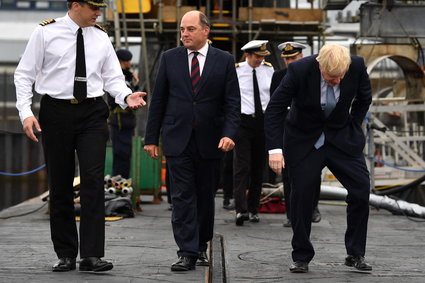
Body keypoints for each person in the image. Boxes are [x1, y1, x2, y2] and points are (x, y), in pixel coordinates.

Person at [14, 0, 146, 272]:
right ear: (76, 5)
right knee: (60, 184)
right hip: (56, 111)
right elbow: (24, 74)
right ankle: (65, 253)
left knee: (93, 181)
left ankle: (91, 255)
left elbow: (112, 77)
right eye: (94, 7)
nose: (99, 13)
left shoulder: (100, 36)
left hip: (92, 113)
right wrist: (26, 112)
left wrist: (124, 95)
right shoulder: (44, 33)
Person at [144, 10, 240, 271]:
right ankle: (186, 251)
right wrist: (150, 138)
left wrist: (230, 133)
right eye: (182, 30)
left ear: (205, 30)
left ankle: (200, 245)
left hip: (211, 141)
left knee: (205, 196)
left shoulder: (224, 60)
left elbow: (232, 103)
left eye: (190, 29)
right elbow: (159, 100)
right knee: (182, 196)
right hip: (178, 139)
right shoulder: (169, 59)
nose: (184, 34)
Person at [265, 44, 372, 273]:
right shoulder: (299, 70)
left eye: (340, 77)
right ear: (319, 65)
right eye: (330, 77)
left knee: (361, 190)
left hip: (341, 139)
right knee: (302, 195)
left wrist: (353, 124)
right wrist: (275, 149)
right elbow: (274, 108)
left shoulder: (357, 66)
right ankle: (301, 255)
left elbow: (364, 99)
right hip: (304, 139)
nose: (336, 81)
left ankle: (355, 253)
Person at [269, 41, 321, 227]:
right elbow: (275, 106)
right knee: (288, 174)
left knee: (314, 171)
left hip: (309, 130)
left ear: (301, 57)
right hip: (287, 129)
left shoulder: (312, 75)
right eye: (287, 59)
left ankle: (313, 208)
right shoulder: (279, 76)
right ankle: (291, 214)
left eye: (293, 58)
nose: (290, 62)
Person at [233, 40, 274, 226]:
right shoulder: (236, 70)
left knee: (259, 168)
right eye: (257, 56)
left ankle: (253, 209)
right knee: (242, 166)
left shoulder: (269, 70)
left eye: (263, 57)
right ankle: (240, 210)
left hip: (262, 122)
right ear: (248, 55)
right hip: (243, 121)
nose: (260, 60)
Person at [108, 49, 139, 179]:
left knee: (125, 154)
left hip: (127, 121)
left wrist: (135, 85)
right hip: (120, 121)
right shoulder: (117, 77)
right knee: (121, 153)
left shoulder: (127, 76)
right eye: (128, 61)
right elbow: (114, 100)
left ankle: (123, 180)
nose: (130, 63)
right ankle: (119, 181)